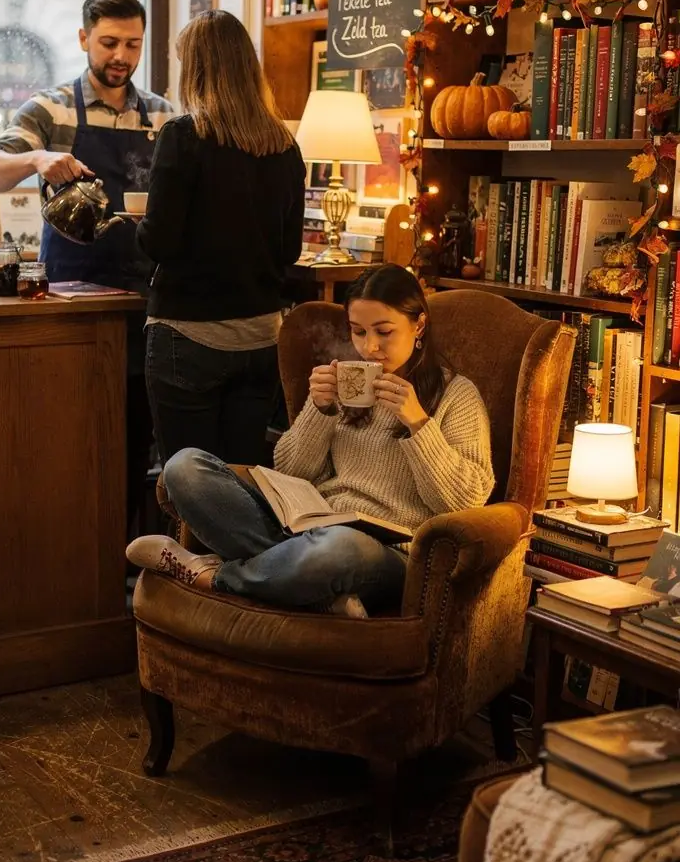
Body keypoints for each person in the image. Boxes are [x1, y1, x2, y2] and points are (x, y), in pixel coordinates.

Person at [127, 264, 494, 618]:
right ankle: (311, 590)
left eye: (384, 332)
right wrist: (319, 411)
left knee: (340, 548)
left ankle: (213, 575)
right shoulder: (345, 387)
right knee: (184, 467)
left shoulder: (456, 395)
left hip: (388, 553)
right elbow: (291, 471)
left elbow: (466, 501)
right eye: (358, 331)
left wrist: (418, 423)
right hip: (312, 530)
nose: (369, 348)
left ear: (419, 326)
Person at [0, 0, 173, 532]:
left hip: (142, 299)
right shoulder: (50, 108)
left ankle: (126, 560)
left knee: (136, 434)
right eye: (109, 42)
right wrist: (39, 157)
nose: (121, 57)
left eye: (133, 45)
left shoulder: (160, 117)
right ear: (84, 37)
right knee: (69, 436)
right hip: (70, 296)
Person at [135, 9, 305, 466]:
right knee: (243, 481)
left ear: (194, 69)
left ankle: (186, 543)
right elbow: (290, 251)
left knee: (190, 482)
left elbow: (160, 242)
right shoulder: (284, 146)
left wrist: (132, 228)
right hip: (261, 340)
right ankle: (239, 544)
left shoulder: (182, 136)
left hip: (188, 338)